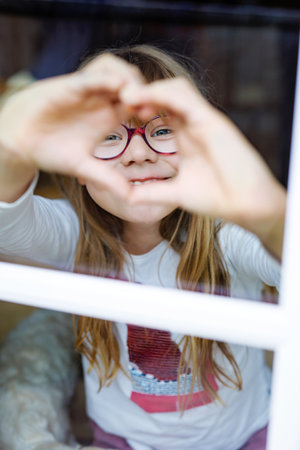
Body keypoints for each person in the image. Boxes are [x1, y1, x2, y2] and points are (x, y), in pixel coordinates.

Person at [0, 45, 286, 449]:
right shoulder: (72, 234)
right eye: (108, 137)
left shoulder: (227, 237)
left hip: (244, 437)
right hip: (123, 441)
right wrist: (14, 145)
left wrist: (269, 214)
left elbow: (286, 262)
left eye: (163, 130)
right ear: (78, 165)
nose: (137, 153)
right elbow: (4, 222)